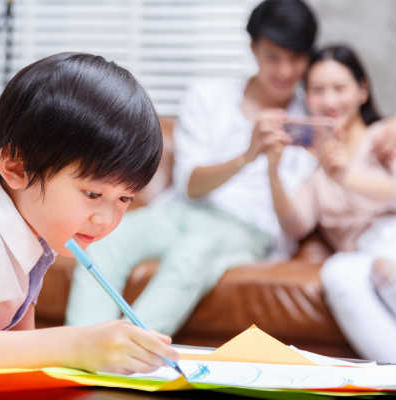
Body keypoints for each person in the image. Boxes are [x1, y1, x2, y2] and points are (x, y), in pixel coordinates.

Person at [66, 0, 320, 335]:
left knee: (193, 252)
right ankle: (82, 348)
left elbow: (296, 221)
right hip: (181, 211)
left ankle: (132, 349)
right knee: (104, 241)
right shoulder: (209, 97)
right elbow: (191, 186)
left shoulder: (313, 120)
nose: (285, 71)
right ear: (253, 49)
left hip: (246, 230)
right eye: (273, 57)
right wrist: (247, 156)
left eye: (295, 59)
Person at [0, 52, 180, 374]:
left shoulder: (32, 229)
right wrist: (78, 345)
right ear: (16, 168)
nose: (106, 219)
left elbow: (18, 347)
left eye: (125, 198)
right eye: (93, 194)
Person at [264, 44, 396, 363]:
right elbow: (295, 224)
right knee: (336, 273)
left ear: (362, 90)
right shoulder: (315, 165)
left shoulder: (387, 135)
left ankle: (393, 277)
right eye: (318, 90)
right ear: (307, 98)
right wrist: (272, 169)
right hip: (364, 253)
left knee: (388, 264)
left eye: (339, 88)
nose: (330, 101)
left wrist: (347, 177)